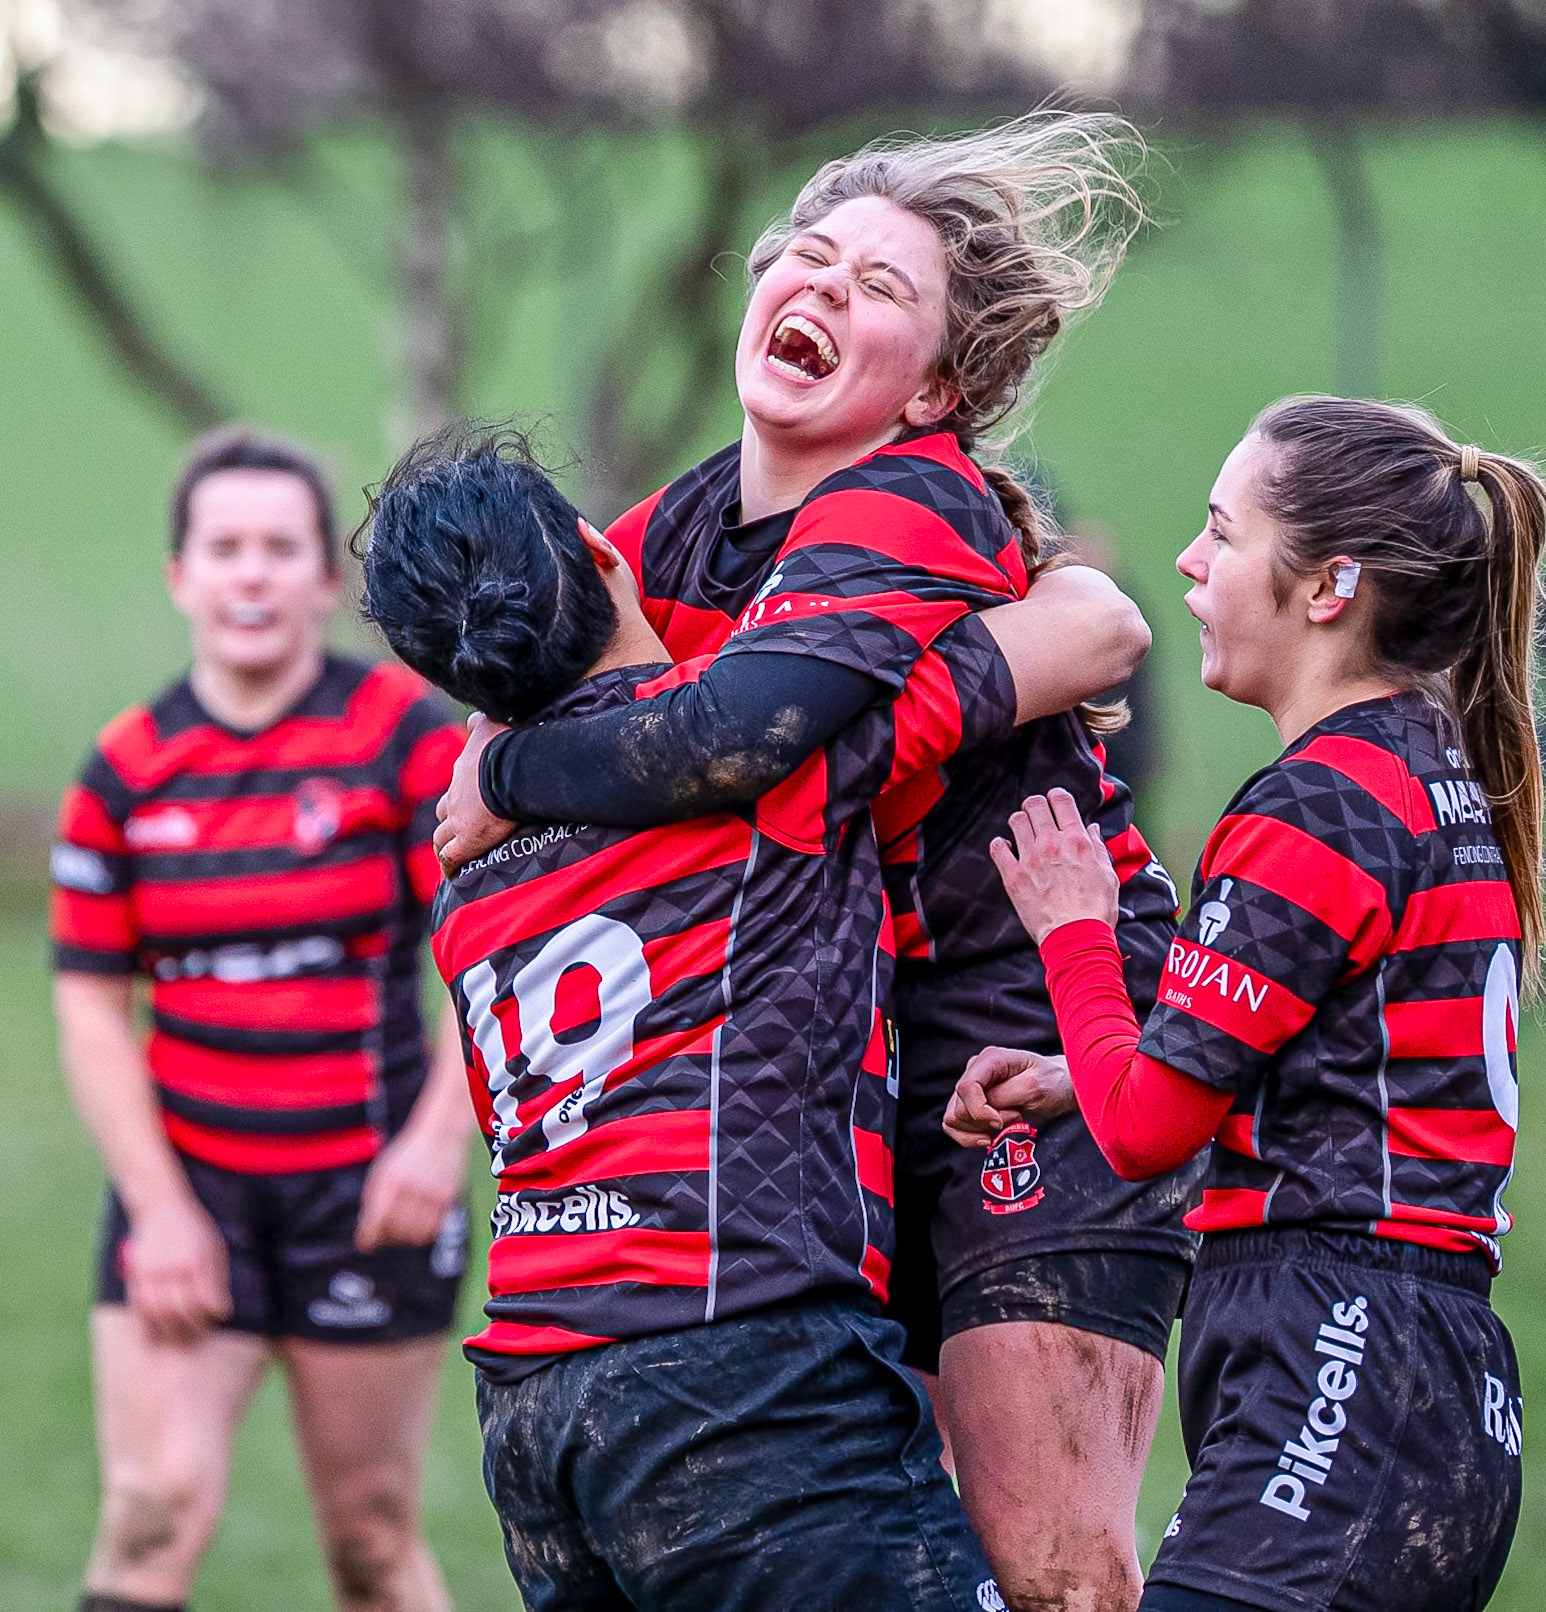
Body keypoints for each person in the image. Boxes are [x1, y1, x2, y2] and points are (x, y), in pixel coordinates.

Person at [431, 111, 1190, 1611]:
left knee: (1048, 1567)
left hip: (1025, 1033)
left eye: (883, 291)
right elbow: (572, 696)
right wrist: (493, 746)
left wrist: (512, 773)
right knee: (868, 1540)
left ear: (942, 393)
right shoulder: (684, 526)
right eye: (812, 258)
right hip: (829, 1083)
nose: (827, 289)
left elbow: (733, 745)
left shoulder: (905, 497)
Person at [357, 424, 1132, 1610]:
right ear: (597, 552)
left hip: (533, 1408)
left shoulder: (467, 869)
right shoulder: (766, 766)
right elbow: (1084, 634)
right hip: (739, 1375)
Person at [947, 396, 1546, 1612]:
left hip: (1345, 1363)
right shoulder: (1428, 771)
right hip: (1434, 1384)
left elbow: (1140, 1131)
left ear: (1328, 587)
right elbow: (1339, 1062)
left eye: (1222, 534)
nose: (1188, 558)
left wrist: (1074, 931)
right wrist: (1088, 1066)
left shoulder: (1317, 804)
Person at [50, 428, 473, 1612]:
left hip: (368, 1195)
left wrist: (440, 1142)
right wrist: (160, 1205)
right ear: (181, 575)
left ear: (324, 583)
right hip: (193, 1197)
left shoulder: (402, 742)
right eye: (224, 548)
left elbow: (477, 959)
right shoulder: (125, 771)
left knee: (370, 1535)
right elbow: (88, 1003)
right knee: (149, 1515)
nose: (251, 574)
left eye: (280, 548)